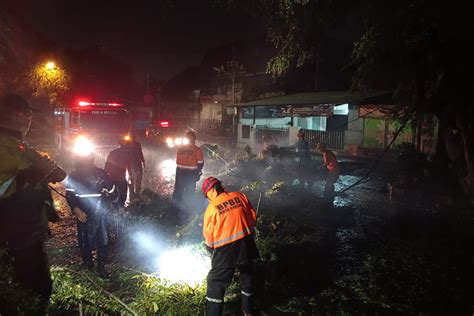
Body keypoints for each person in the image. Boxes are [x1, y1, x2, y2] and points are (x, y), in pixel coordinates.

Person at [0, 94, 63, 315]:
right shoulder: (5, 147)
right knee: (30, 292)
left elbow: (54, 173)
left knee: (38, 289)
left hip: (28, 234)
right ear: (20, 117)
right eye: (27, 117)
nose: (29, 122)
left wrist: (47, 171)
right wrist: (34, 174)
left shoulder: (19, 146)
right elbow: (7, 188)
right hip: (15, 236)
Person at [202, 176, 259, 316]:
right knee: (247, 273)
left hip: (225, 250)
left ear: (209, 193)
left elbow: (209, 238)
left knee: (215, 281)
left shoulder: (212, 208)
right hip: (247, 242)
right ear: (220, 186)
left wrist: (211, 251)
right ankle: (248, 310)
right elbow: (253, 218)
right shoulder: (239, 196)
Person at [66, 153, 116, 278]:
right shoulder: (74, 175)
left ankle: (101, 267)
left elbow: (113, 192)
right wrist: (76, 209)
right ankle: (87, 263)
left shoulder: (101, 174)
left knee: (103, 239)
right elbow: (69, 194)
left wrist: (113, 202)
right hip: (83, 211)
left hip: (100, 211)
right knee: (85, 239)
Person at [172, 131, 204, 211]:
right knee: (189, 191)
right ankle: (188, 209)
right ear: (194, 139)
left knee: (178, 189)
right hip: (191, 174)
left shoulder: (180, 148)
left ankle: (174, 207)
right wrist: (198, 171)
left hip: (179, 172)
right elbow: (200, 163)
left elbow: (178, 161)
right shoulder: (197, 150)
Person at [104, 137, 130, 207]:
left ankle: (115, 207)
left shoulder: (113, 152)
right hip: (120, 178)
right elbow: (129, 166)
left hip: (113, 178)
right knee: (122, 195)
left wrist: (106, 175)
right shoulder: (127, 154)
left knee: (114, 195)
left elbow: (107, 165)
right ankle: (119, 208)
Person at [127, 131, 145, 197]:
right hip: (131, 162)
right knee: (132, 177)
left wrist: (143, 161)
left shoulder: (137, 144)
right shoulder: (128, 144)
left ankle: (136, 191)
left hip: (136, 162)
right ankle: (134, 191)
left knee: (138, 177)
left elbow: (140, 153)